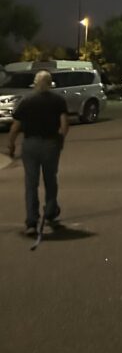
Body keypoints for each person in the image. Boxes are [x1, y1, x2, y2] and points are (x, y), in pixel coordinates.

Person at [7, 70, 69, 235]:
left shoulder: (26, 101)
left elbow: (15, 127)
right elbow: (64, 125)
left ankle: (31, 221)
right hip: (50, 143)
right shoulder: (58, 101)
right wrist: (60, 140)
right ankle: (50, 210)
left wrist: (11, 145)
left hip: (30, 144)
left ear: (35, 83)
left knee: (31, 183)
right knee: (50, 178)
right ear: (50, 84)